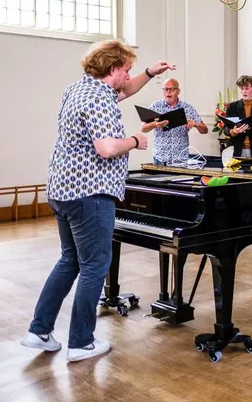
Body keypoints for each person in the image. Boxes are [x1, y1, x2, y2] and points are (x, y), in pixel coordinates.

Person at [21, 40, 174, 362]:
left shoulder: (79, 89)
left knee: (69, 261)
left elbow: (125, 90)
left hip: (63, 190)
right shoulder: (99, 100)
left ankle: (39, 331)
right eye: (127, 69)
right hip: (91, 193)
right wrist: (136, 140)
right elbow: (106, 148)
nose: (129, 74)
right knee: (94, 266)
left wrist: (150, 72)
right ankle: (81, 342)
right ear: (113, 69)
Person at [142, 78, 208, 165]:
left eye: (172, 89)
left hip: (181, 159)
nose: (168, 92)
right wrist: (155, 124)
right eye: (166, 89)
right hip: (160, 158)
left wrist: (195, 124)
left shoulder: (187, 108)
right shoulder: (155, 106)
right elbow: (143, 128)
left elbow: (205, 130)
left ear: (178, 91)